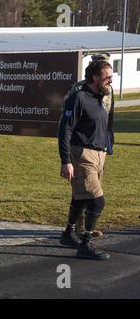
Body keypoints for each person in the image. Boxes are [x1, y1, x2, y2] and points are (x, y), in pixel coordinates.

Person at [58, 60, 113, 260]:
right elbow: (64, 130)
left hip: (99, 154)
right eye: (107, 77)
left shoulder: (101, 98)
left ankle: (67, 234)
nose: (110, 80)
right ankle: (86, 244)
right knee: (97, 201)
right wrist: (66, 161)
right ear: (95, 77)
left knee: (81, 196)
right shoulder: (79, 98)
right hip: (82, 155)